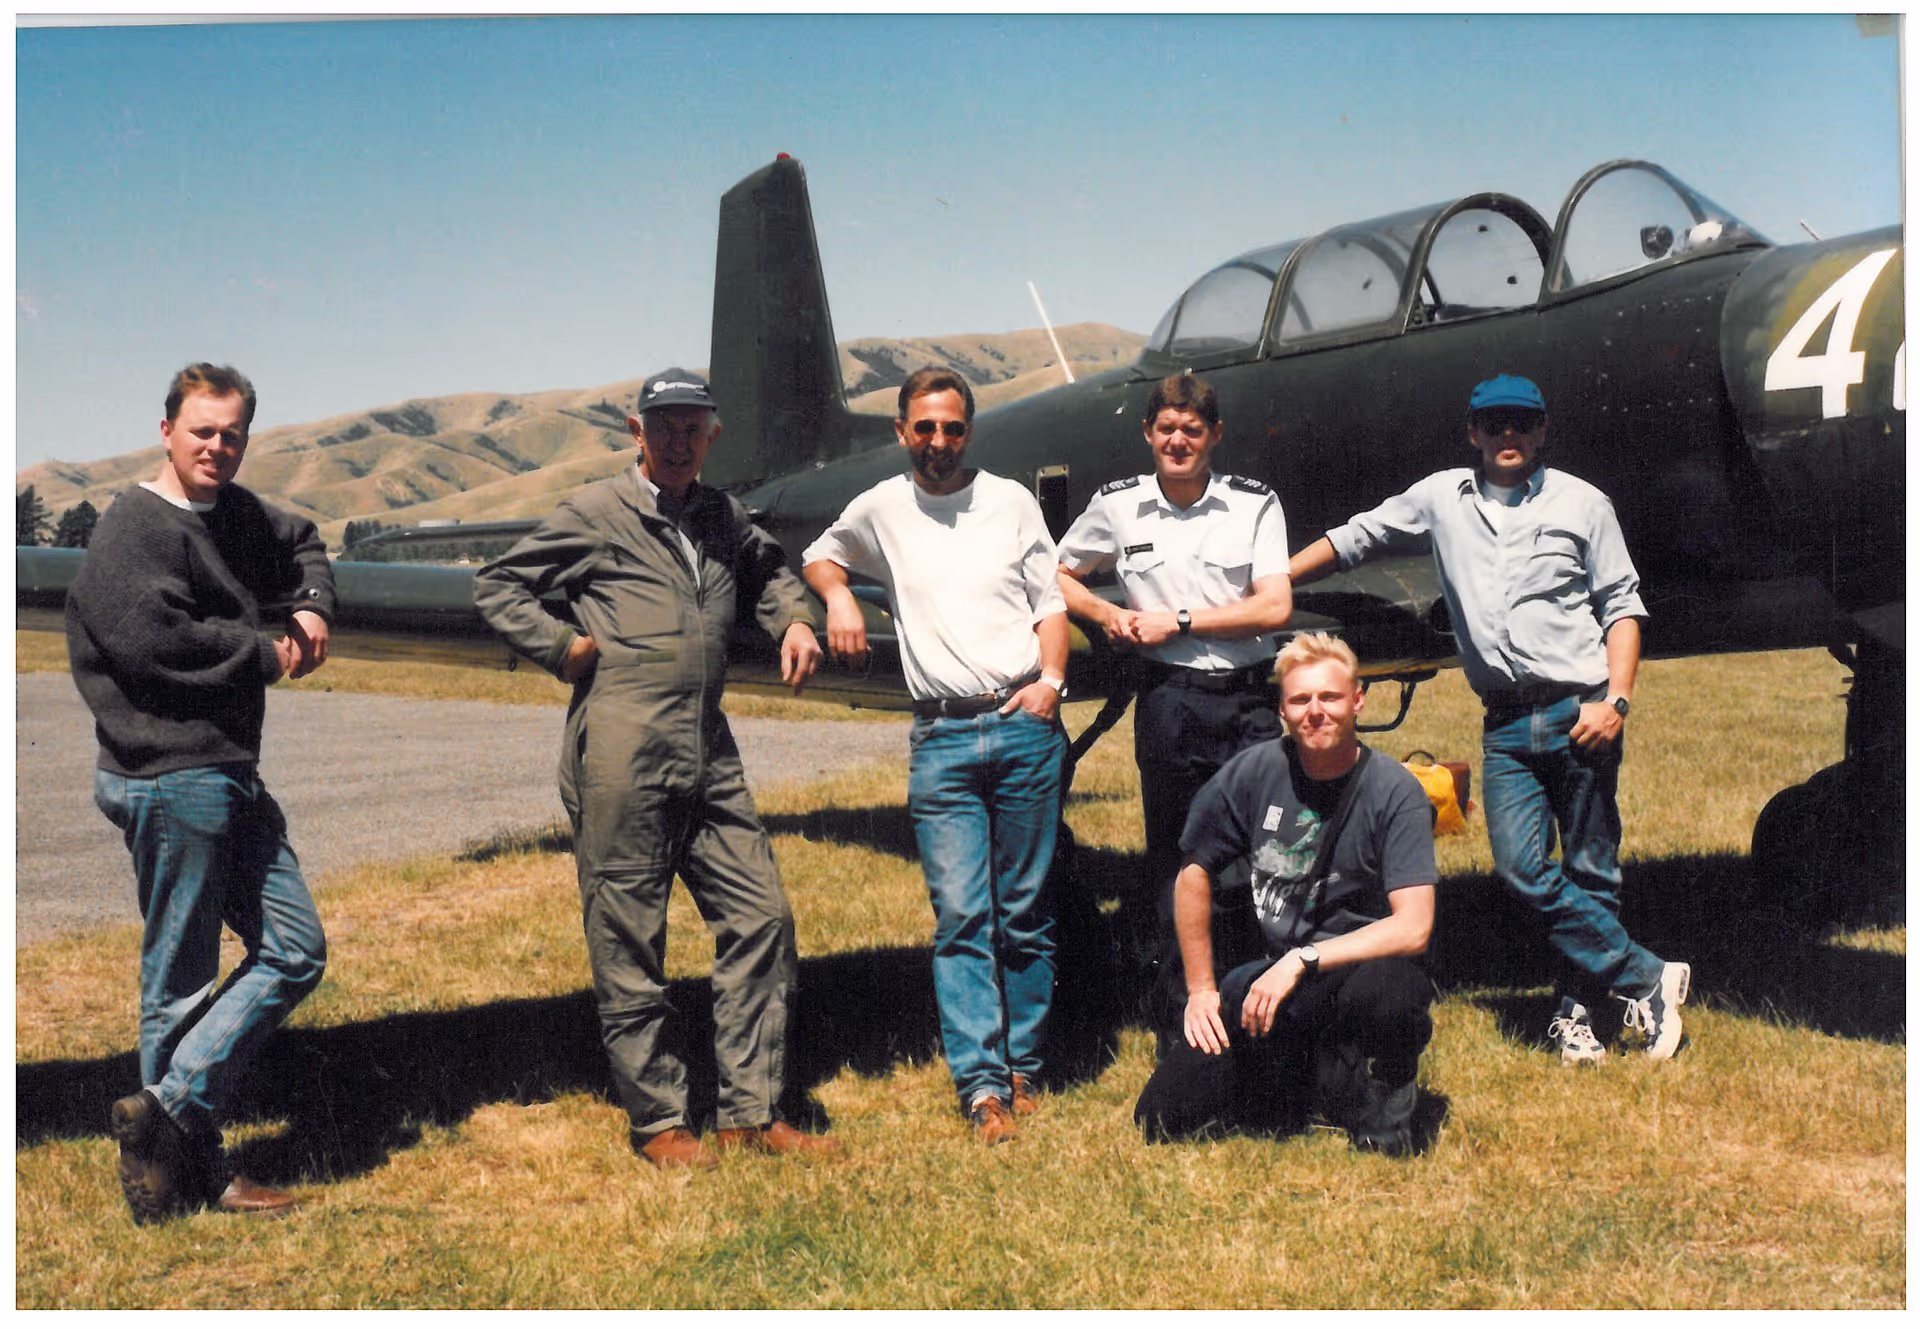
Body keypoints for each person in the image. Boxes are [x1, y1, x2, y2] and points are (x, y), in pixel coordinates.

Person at [473, 367, 834, 1169]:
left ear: (712, 434)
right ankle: (660, 1121)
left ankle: (750, 1110)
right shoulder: (597, 513)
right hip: (621, 756)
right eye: (662, 424)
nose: (677, 438)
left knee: (763, 919)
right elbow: (498, 584)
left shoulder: (718, 513)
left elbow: (770, 568)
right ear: (636, 432)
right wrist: (561, 647)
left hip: (709, 751)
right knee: (629, 938)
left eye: (692, 425)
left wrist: (795, 621)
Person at [1290, 373, 1690, 1065]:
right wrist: (1275, 580)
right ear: (1472, 432)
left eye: (1522, 424)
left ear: (1541, 432)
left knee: (1592, 869)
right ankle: (1647, 975)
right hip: (1505, 722)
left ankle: (1579, 1012)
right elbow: (1357, 537)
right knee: (1521, 870)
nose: (1509, 436)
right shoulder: (1440, 497)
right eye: (1494, 424)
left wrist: (1616, 701)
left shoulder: (1584, 503)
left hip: (1581, 710)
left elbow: (1622, 605)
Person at [67, 363, 334, 1222]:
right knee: (179, 981)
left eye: (232, 434)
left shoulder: (237, 515)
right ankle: (182, 1172)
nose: (216, 446)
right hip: (170, 776)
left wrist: (314, 607)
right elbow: (154, 644)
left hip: (225, 770)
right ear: (166, 431)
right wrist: (266, 654)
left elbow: (304, 542)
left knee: (296, 949)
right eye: (201, 431)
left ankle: (167, 1114)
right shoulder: (134, 529)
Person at [802, 366, 1069, 1146]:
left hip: (1022, 724)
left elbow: (1049, 600)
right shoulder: (880, 507)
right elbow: (823, 554)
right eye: (925, 427)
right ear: (901, 432)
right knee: (961, 915)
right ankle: (982, 1086)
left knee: (1025, 911)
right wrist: (842, 595)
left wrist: (1051, 682)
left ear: (968, 431)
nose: (939, 442)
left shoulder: (1011, 501)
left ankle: (1026, 1066)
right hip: (942, 739)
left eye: (953, 427)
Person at [1134, 633, 1436, 1155]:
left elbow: (1414, 927)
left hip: (1356, 969)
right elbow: (1192, 872)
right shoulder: (1255, 771)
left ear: (1358, 700)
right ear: (1281, 709)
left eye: (1330, 697)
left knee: (1396, 992)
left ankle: (1386, 1110)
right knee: (1160, 1120)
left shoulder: (1394, 790)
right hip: (1273, 975)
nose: (1315, 712)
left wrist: (1304, 960)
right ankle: (1308, 1078)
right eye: (1300, 700)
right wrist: (1202, 990)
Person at [1055, 372, 1293, 995]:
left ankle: (1253, 995)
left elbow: (1274, 608)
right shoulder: (1118, 504)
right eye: (1166, 429)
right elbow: (1053, 573)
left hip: (1247, 699)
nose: (1178, 441)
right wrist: (1107, 614)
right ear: (1147, 433)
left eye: (1192, 429)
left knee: (1259, 851)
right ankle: (1180, 1009)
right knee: (1177, 853)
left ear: (1214, 434)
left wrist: (1182, 619)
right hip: (1169, 699)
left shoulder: (1253, 503)